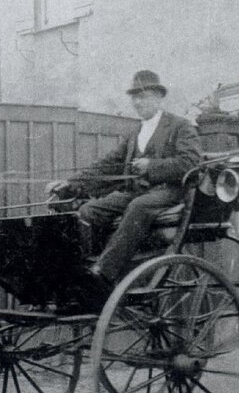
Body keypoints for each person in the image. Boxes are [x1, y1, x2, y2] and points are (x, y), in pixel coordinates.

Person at [47, 70, 201, 300]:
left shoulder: (180, 126)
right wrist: (71, 184)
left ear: (159, 97)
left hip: (170, 192)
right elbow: (107, 165)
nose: (138, 102)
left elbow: (191, 162)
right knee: (88, 211)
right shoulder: (135, 133)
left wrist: (152, 165)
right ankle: (83, 272)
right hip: (136, 193)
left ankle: (104, 273)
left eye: (144, 96)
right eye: (135, 97)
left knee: (139, 206)